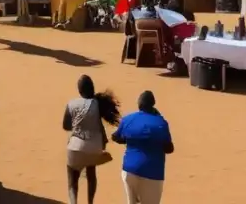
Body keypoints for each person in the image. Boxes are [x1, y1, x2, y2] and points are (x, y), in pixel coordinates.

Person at [64, 75, 121, 204]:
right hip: (94, 148)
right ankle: (90, 202)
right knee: (91, 173)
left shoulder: (72, 104)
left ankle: (73, 202)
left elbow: (66, 126)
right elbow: (101, 131)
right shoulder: (97, 104)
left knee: (72, 180)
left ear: (79, 91)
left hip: (75, 148)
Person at [111, 90, 173, 204]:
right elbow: (169, 149)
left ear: (139, 104)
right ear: (153, 104)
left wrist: (130, 139)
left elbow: (115, 137)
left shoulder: (128, 119)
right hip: (153, 173)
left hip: (129, 170)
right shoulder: (161, 123)